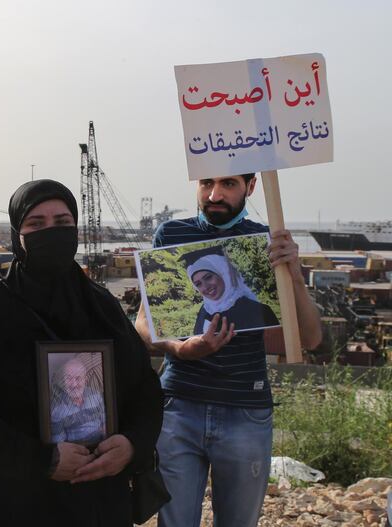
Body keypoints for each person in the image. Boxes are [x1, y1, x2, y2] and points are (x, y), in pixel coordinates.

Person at [0, 179, 163, 527]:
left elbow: (145, 389)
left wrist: (133, 445)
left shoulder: (102, 305)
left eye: (62, 223)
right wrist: (41, 459)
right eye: (36, 224)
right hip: (12, 501)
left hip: (98, 501)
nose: (51, 232)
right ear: (18, 235)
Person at [135, 173, 322, 527]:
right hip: (179, 406)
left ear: (251, 187)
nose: (215, 194)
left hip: (245, 413)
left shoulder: (267, 242)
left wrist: (294, 273)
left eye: (229, 184)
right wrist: (181, 348)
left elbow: (310, 338)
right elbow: (144, 323)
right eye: (206, 183)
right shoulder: (170, 235)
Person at [180, 245, 280, 334]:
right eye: (198, 284)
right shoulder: (204, 312)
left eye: (208, 277)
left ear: (224, 275)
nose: (205, 287)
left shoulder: (259, 311)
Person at [50, 357, 106, 445]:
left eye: (78, 378)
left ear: (85, 380)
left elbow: (105, 422)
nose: (74, 384)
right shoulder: (56, 409)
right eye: (69, 378)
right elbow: (59, 444)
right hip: (75, 449)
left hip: (101, 443)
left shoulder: (96, 395)